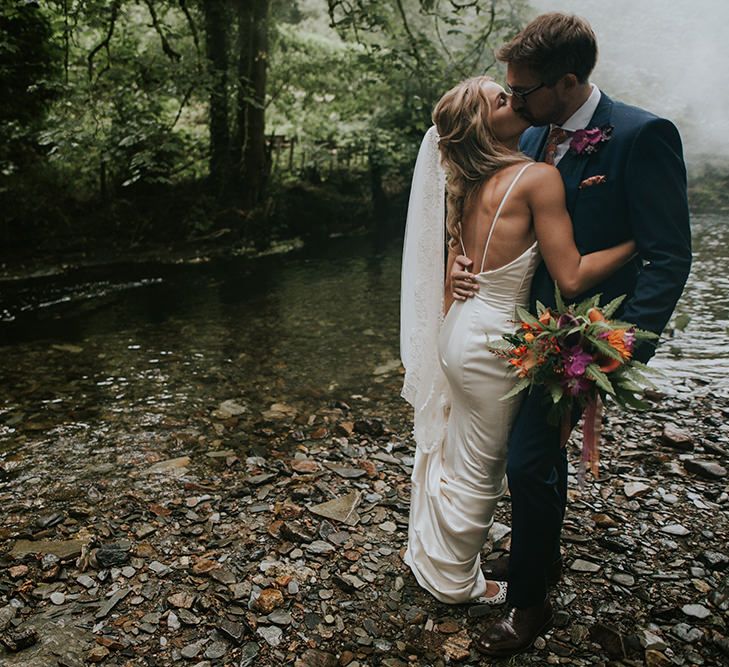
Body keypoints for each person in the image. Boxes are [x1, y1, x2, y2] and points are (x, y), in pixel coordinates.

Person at [449, 13, 691, 658]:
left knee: (531, 461)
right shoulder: (528, 138)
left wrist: (622, 346)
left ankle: (530, 604)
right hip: (509, 328)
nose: (513, 101)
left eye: (522, 90)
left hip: (585, 339)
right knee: (523, 458)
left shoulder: (643, 136)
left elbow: (669, 255)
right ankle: (536, 558)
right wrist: (464, 261)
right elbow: (495, 212)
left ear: (566, 81)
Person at [399, 74, 638, 609]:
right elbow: (572, 276)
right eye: (501, 101)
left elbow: (454, 263)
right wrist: (633, 244)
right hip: (492, 345)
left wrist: (456, 273)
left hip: (458, 329)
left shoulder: (465, 180)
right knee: (482, 466)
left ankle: (434, 552)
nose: (516, 101)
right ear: (485, 126)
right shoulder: (535, 178)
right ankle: (457, 581)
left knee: (457, 449)